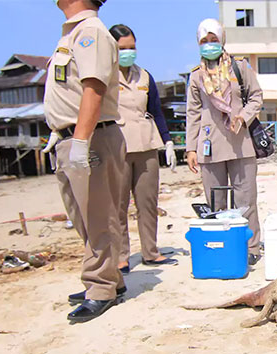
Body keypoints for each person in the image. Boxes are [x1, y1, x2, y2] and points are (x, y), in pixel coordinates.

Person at [42, 0, 126, 323]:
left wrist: (79, 139)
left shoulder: (91, 32)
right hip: (71, 136)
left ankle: (100, 286)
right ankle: (110, 280)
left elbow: (93, 88)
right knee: (83, 217)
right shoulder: (72, 34)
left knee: (98, 216)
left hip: (91, 137)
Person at [185, 18, 264, 265]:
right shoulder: (196, 77)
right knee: (215, 203)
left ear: (222, 40)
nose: (209, 45)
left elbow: (256, 97)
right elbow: (193, 113)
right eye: (204, 41)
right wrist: (190, 148)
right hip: (209, 147)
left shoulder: (239, 68)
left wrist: (243, 116)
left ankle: (251, 247)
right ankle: (222, 246)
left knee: (246, 200)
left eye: (213, 40)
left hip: (242, 145)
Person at [108, 24, 178, 273]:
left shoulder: (144, 76)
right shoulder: (104, 75)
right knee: (117, 205)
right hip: (117, 146)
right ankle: (121, 256)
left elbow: (157, 111)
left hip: (147, 144)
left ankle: (151, 251)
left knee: (147, 202)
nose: (128, 53)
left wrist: (168, 141)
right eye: (122, 48)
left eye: (132, 48)